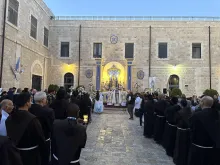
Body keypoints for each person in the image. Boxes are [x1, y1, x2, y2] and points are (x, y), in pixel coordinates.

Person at [5, 92, 48, 165]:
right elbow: (40, 138)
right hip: (31, 155)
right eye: (30, 100)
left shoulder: (9, 118)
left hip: (14, 154)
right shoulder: (33, 119)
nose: (31, 102)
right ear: (27, 103)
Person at [188, 96, 220, 165]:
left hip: (199, 148)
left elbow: (191, 128)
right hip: (214, 148)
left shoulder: (196, 115)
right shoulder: (217, 114)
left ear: (202, 103)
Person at [29, 92, 55, 164]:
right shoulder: (48, 111)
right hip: (44, 139)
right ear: (43, 100)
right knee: (44, 159)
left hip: (31, 139)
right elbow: (51, 127)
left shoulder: (29, 109)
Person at [173, 99, 192, 165]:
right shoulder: (191, 111)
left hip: (181, 131)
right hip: (188, 130)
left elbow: (176, 120)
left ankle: (179, 159)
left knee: (179, 145)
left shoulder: (180, 112)